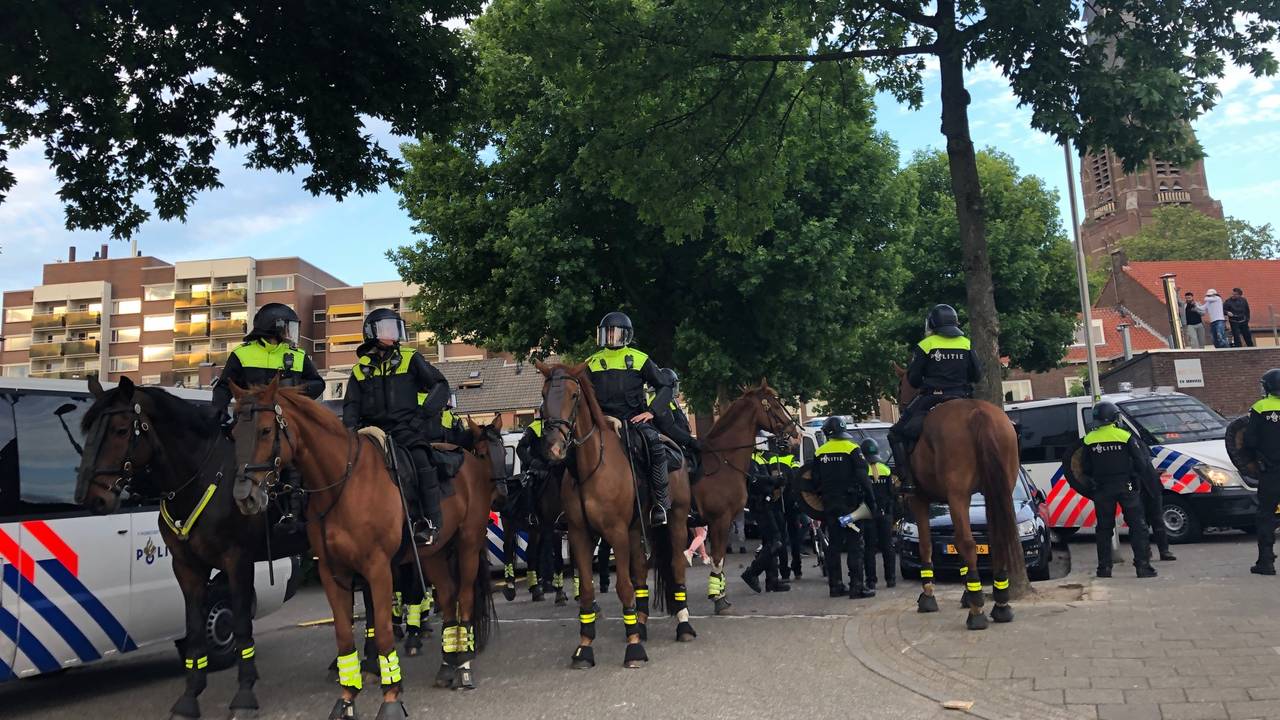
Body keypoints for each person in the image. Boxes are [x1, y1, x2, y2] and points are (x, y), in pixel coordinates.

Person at [212, 303, 324, 530]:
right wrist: (219, 413)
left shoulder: (297, 355)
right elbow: (223, 387)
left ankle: (296, 517)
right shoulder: (242, 354)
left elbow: (317, 383)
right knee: (233, 464)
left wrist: (292, 395)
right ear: (274, 328)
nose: (292, 333)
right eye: (288, 327)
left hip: (285, 426)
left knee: (301, 465)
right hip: (250, 427)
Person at [343, 308, 449, 545]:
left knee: (421, 460)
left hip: (406, 431)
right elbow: (351, 406)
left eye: (396, 328)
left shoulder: (411, 358)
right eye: (388, 329)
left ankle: (430, 523)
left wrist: (420, 418)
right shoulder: (359, 370)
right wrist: (348, 436)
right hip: (370, 434)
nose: (394, 334)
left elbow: (440, 386)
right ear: (372, 334)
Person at [584, 311, 674, 526]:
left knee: (655, 444)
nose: (610, 337)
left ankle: (660, 503)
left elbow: (665, 386)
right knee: (572, 450)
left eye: (614, 333)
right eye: (607, 333)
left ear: (626, 335)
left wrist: (651, 412)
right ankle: (566, 508)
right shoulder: (591, 362)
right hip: (602, 422)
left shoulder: (640, 359)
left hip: (634, 422)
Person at [888, 304, 982, 492]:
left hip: (932, 397)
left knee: (895, 434)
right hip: (963, 396)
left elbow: (914, 379)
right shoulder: (966, 343)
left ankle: (907, 480)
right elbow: (977, 375)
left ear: (932, 324)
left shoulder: (926, 344)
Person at [1082, 402, 1158, 579]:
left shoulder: (1088, 440)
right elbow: (1141, 463)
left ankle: (1104, 569)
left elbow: (1085, 467)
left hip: (1102, 489)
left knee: (1104, 530)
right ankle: (1143, 567)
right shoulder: (1124, 436)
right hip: (1126, 486)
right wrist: (1134, 476)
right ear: (1113, 417)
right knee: (1137, 526)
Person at [804, 416, 876, 599]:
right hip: (851, 508)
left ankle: (835, 586)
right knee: (855, 545)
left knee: (834, 546)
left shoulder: (820, 452)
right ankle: (857, 587)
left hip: (830, 507)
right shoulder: (852, 448)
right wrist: (872, 502)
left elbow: (814, 480)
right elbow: (864, 479)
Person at [1243, 369, 1280, 575]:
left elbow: (1249, 441)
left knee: (1266, 515)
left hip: (1272, 473)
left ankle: (1266, 562)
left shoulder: (1260, 407)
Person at [742, 435, 790, 593]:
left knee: (770, 542)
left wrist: (778, 481)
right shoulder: (749, 460)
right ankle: (752, 572)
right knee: (775, 541)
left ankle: (772, 581)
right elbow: (754, 481)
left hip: (768, 503)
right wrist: (772, 480)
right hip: (759, 504)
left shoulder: (761, 458)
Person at [860, 439, 897, 590]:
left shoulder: (862, 471)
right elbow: (892, 494)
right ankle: (891, 579)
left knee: (869, 548)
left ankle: (871, 581)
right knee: (888, 547)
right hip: (885, 515)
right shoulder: (886, 470)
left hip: (868, 515)